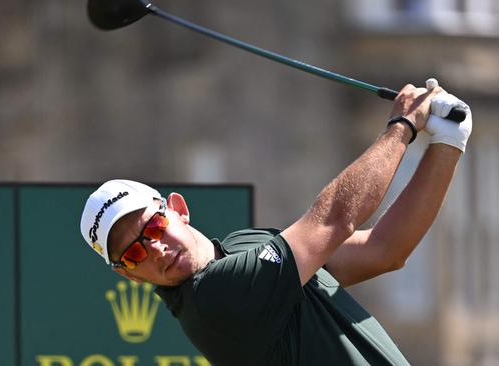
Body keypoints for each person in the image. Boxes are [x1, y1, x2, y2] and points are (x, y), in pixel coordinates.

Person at [79, 79, 472, 365]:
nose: (156, 250)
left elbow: (384, 251)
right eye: (133, 253)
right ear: (131, 275)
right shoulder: (212, 298)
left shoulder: (246, 245)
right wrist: (402, 126)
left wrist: (448, 142)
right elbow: (335, 219)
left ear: (178, 209)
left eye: (152, 228)